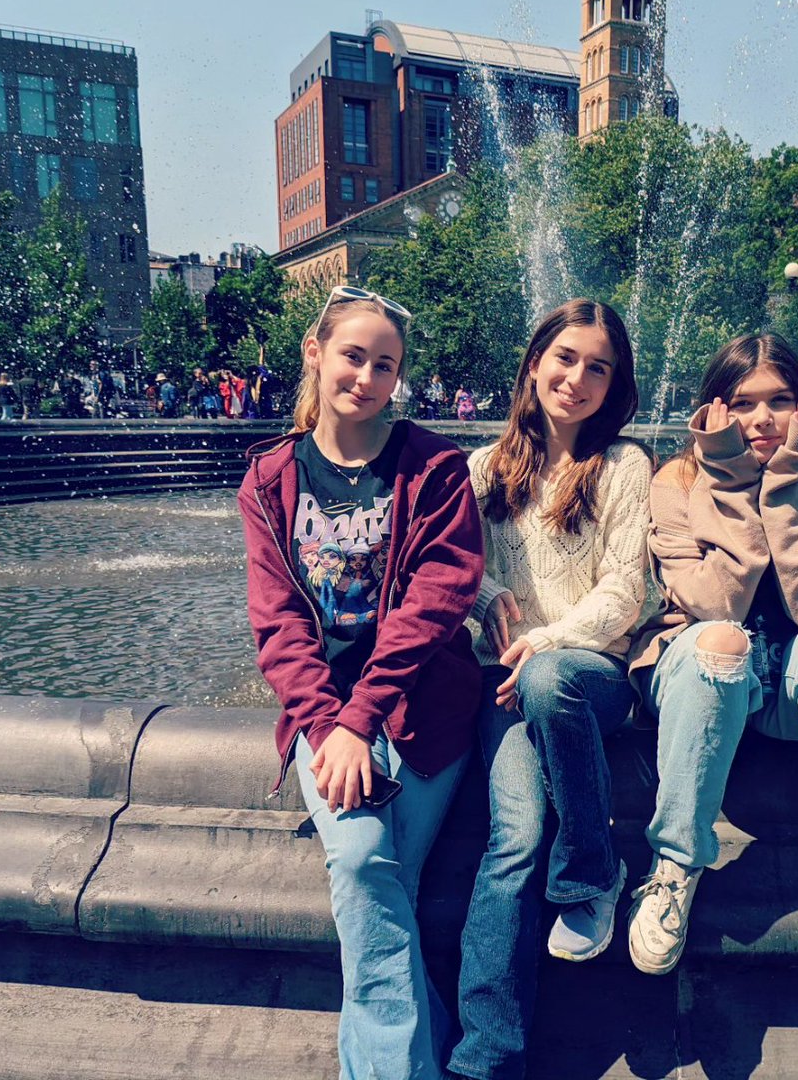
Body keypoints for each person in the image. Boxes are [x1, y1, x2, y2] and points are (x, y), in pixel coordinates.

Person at [238, 284, 484, 1080]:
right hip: (324, 715)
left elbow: (437, 602)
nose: (367, 377)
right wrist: (326, 723)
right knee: (363, 866)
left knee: (380, 888)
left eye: (386, 365)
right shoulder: (270, 477)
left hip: (422, 708)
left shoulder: (434, 467)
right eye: (353, 356)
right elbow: (276, 624)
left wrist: (362, 718)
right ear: (315, 354)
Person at [626, 331, 798, 978]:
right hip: (700, 673)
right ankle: (674, 868)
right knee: (720, 641)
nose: (760, 418)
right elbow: (712, 603)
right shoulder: (676, 481)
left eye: (779, 400)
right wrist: (728, 476)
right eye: (742, 401)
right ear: (714, 408)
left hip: (795, 689)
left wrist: (783, 482)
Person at [446, 300, 651, 1080]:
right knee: (512, 843)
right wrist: (489, 598)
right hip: (508, 688)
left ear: (614, 383)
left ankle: (592, 872)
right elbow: (454, 573)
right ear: (535, 362)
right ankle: (484, 1060)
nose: (578, 378)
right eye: (566, 357)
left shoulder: (626, 466)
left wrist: (545, 642)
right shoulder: (481, 468)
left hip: (587, 674)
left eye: (599, 367)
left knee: (555, 678)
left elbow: (624, 592)